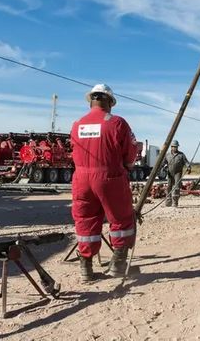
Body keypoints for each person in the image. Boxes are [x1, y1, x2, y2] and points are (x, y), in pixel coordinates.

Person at [70, 84, 138, 281]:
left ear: (91, 101)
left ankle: (86, 269)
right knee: (121, 219)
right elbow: (130, 151)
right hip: (110, 177)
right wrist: (127, 166)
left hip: (81, 179)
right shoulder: (117, 123)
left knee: (85, 220)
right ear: (109, 102)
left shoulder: (77, 124)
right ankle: (117, 265)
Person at [164, 140, 188, 207]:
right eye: (173, 147)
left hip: (178, 173)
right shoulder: (167, 155)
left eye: (176, 147)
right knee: (169, 187)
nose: (175, 148)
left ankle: (175, 202)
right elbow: (164, 162)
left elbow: (186, 162)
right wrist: (164, 167)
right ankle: (168, 201)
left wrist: (188, 167)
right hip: (169, 173)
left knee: (176, 187)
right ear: (171, 147)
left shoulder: (181, 155)